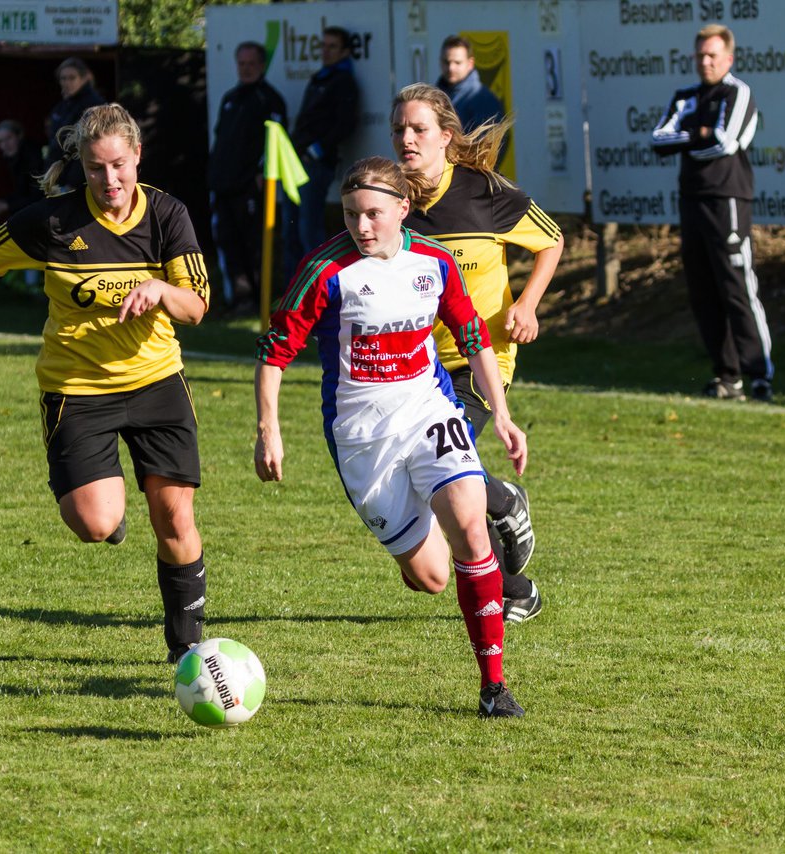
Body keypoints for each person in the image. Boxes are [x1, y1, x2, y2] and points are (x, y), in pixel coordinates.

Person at [0, 103, 213, 665]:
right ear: (81, 166)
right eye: (95, 168)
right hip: (76, 388)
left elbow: (197, 306)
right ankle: (110, 513)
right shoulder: (54, 221)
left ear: (137, 156)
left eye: (118, 166)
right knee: (95, 523)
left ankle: (189, 654)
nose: (109, 180)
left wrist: (160, 290)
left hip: (156, 382)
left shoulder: (167, 215)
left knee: (176, 516)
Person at [255, 156, 527, 718]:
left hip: (429, 410)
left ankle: (494, 688)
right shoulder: (325, 270)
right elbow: (275, 353)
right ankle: (428, 536)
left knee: (472, 531)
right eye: (352, 214)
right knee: (429, 578)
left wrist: (500, 414)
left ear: (404, 209)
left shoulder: (434, 262)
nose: (362, 227)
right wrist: (269, 431)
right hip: (360, 438)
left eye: (374, 214)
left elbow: (472, 335)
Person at [390, 83, 563, 624]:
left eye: (418, 129)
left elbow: (551, 240)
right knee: (427, 473)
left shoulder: (484, 193)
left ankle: (513, 589)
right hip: (415, 368)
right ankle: (504, 502)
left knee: (440, 470)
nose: (406, 139)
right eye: (398, 129)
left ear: (446, 136)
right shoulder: (392, 203)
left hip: (481, 363)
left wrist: (528, 305)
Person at [650, 24, 773, 402]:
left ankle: (760, 375)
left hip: (728, 199)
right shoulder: (685, 97)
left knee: (736, 286)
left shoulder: (738, 93)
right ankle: (726, 376)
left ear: (728, 58)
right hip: (692, 200)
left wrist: (691, 139)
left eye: (713, 55)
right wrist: (697, 134)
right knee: (703, 290)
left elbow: (725, 143)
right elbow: (659, 140)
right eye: (700, 55)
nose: (705, 62)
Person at [208, 41, 287, 313]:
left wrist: (259, 176)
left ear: (262, 65)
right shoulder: (230, 98)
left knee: (254, 244)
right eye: (241, 64)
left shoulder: (270, 100)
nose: (246, 69)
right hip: (223, 185)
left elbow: (275, 143)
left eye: (251, 63)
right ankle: (240, 300)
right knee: (228, 243)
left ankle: (260, 299)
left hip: (250, 188)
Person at [287, 26, 359, 269]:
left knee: (309, 229)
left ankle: (318, 285)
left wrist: (317, 149)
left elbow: (346, 123)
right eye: (323, 46)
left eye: (332, 47)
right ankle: (292, 292)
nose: (326, 52)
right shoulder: (320, 76)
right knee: (292, 228)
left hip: (316, 165)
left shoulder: (344, 81)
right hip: (296, 163)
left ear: (345, 51)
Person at [44, 58, 106, 193]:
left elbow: (90, 146)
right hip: (59, 177)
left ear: (85, 78)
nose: (66, 82)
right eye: (63, 78)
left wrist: (72, 184)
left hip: (77, 183)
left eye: (72, 78)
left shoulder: (93, 106)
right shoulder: (63, 106)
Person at [436, 36, 503, 133]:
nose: (451, 68)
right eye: (446, 62)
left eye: (457, 63)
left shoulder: (483, 99)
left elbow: (489, 144)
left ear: (470, 64)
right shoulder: (434, 96)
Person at [0, 120, 44, 221]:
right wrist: (3, 202)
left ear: (19, 135)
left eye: (9, 138)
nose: (5, 145)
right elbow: (22, 192)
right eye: (0, 141)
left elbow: (39, 195)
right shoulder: (14, 159)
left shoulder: (33, 156)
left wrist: (8, 205)